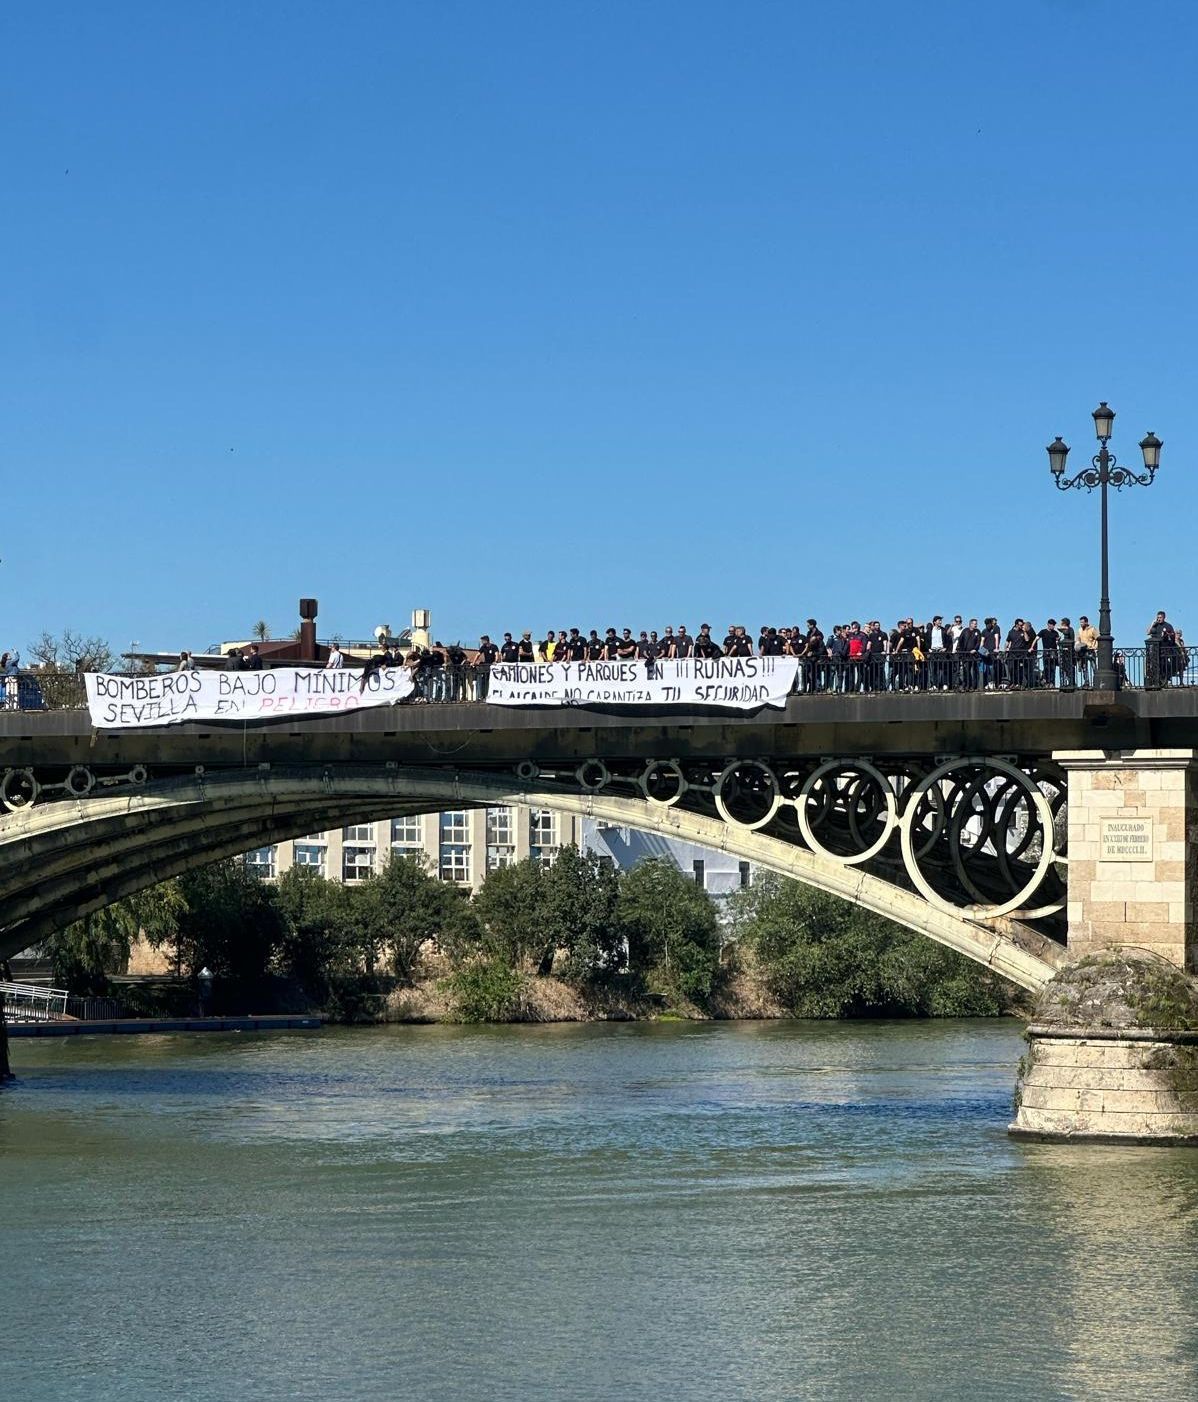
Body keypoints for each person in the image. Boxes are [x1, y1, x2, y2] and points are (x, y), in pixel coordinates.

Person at [1076, 616, 1098, 687]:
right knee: (1084, 667)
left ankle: (1096, 681)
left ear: (1086, 622)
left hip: (1091, 650)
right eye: (1080, 622)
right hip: (1083, 650)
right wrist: (1077, 645)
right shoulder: (1079, 630)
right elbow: (1078, 639)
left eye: (1082, 622)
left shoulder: (1092, 629)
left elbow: (1098, 638)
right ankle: (1086, 682)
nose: (1081, 624)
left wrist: (1096, 647)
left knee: (1093, 666)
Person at [1037, 620, 1060, 689]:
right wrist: (1032, 647)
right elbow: (1037, 638)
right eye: (1052, 625)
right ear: (1048, 624)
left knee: (1053, 668)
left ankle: (1052, 683)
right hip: (1046, 651)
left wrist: (1058, 641)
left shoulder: (1055, 633)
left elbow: (1057, 642)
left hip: (1053, 652)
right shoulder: (1043, 631)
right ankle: (1047, 682)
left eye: (1054, 625)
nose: (1053, 626)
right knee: (1046, 667)